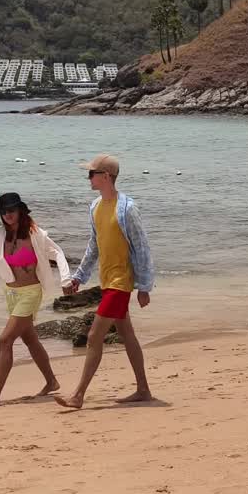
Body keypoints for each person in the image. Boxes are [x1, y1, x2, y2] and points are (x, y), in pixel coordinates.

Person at [56, 154, 155, 409]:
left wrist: (144, 286)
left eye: (91, 173)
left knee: (94, 335)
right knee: (126, 334)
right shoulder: (95, 207)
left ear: (106, 177)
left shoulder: (127, 208)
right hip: (107, 279)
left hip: (122, 281)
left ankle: (78, 395)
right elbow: (94, 246)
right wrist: (79, 276)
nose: (88, 177)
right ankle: (143, 389)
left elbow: (142, 247)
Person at [0, 191, 71, 408]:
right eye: (4, 211)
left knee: (5, 340)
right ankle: (51, 381)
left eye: (12, 210)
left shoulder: (36, 235)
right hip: (11, 293)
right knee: (30, 339)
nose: (7, 215)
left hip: (31, 292)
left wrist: (66, 280)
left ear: (20, 211)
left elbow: (58, 253)